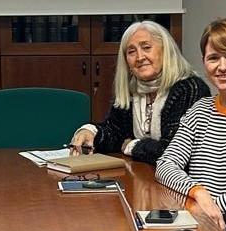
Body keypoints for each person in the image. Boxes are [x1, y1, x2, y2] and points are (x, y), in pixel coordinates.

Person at [155, 17, 226, 231]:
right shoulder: (199, 110)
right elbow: (165, 164)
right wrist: (198, 194)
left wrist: (208, 209)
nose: (222, 67)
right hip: (197, 217)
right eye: (213, 58)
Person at [67, 20, 208, 163]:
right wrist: (90, 132)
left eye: (146, 47)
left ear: (166, 51)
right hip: (142, 175)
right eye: (131, 52)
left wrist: (132, 145)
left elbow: (173, 151)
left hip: (183, 181)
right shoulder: (131, 89)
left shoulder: (190, 89)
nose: (140, 57)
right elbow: (115, 133)